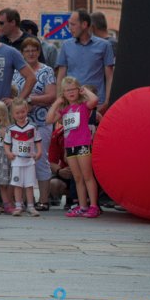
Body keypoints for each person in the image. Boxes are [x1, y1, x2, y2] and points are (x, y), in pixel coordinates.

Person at [11, 36, 57, 210]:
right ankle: (22, 201)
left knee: (40, 159)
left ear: (39, 52)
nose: (30, 53)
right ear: (22, 53)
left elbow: (51, 96)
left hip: (41, 122)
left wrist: (29, 100)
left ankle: (43, 200)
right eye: (27, 51)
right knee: (20, 160)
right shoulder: (16, 71)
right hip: (20, 125)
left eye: (34, 50)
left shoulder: (46, 71)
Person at [47, 77, 100, 218]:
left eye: (73, 89)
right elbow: (49, 119)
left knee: (87, 176)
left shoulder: (84, 106)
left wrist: (85, 91)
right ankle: (82, 206)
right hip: (70, 147)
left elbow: (95, 100)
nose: (70, 92)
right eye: (67, 90)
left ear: (78, 90)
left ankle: (93, 206)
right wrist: (56, 103)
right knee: (77, 178)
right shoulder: (64, 110)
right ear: (63, 93)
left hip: (83, 144)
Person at [55, 9, 115, 115]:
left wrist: (106, 102)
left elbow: (110, 77)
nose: (69, 28)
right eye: (69, 24)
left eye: (73, 24)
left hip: (97, 104)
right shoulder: (66, 45)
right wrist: (59, 102)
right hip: (72, 104)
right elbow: (61, 76)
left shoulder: (104, 45)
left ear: (84, 24)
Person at [6, 97, 42, 217]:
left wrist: (39, 152)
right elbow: (6, 144)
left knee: (29, 184)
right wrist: (8, 152)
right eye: (17, 113)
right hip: (17, 162)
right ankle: (18, 206)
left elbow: (38, 141)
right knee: (17, 185)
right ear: (13, 114)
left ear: (27, 110)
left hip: (29, 161)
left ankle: (31, 206)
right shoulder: (10, 129)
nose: (20, 115)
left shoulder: (33, 127)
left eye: (22, 112)